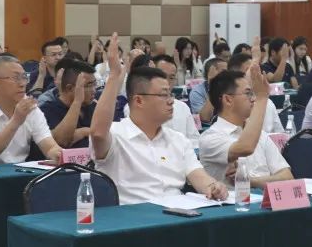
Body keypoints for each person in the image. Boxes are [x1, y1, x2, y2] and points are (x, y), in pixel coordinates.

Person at [90, 33, 228, 204]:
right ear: (139, 100)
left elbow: (199, 176)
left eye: (170, 94)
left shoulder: (178, 140)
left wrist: (213, 187)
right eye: (163, 95)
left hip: (177, 213)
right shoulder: (116, 135)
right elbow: (97, 133)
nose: (171, 101)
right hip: (132, 215)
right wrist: (114, 75)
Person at [198, 67, 293, 186]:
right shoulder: (210, 138)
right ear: (228, 100)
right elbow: (246, 147)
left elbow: (287, 177)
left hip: (263, 196)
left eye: (253, 94)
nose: (253, 98)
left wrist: (250, 181)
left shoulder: (260, 135)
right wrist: (262, 97)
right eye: (248, 93)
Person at [125, 54, 200, 145]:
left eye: (171, 77)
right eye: (162, 76)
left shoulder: (183, 107)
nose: (166, 82)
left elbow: (194, 140)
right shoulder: (137, 105)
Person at [38, 58, 96, 148]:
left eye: (94, 84)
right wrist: (77, 101)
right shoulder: (47, 110)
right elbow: (61, 141)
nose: (94, 90)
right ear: (69, 88)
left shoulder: (92, 106)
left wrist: (84, 131)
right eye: (88, 85)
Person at [228, 52, 286, 134]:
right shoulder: (232, 104)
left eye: (257, 70)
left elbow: (280, 135)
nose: (256, 74)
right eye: (250, 70)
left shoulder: (268, 103)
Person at [189, 57, 224, 122]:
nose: (228, 74)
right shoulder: (197, 92)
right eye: (224, 72)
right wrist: (213, 84)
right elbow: (204, 118)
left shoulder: (231, 87)